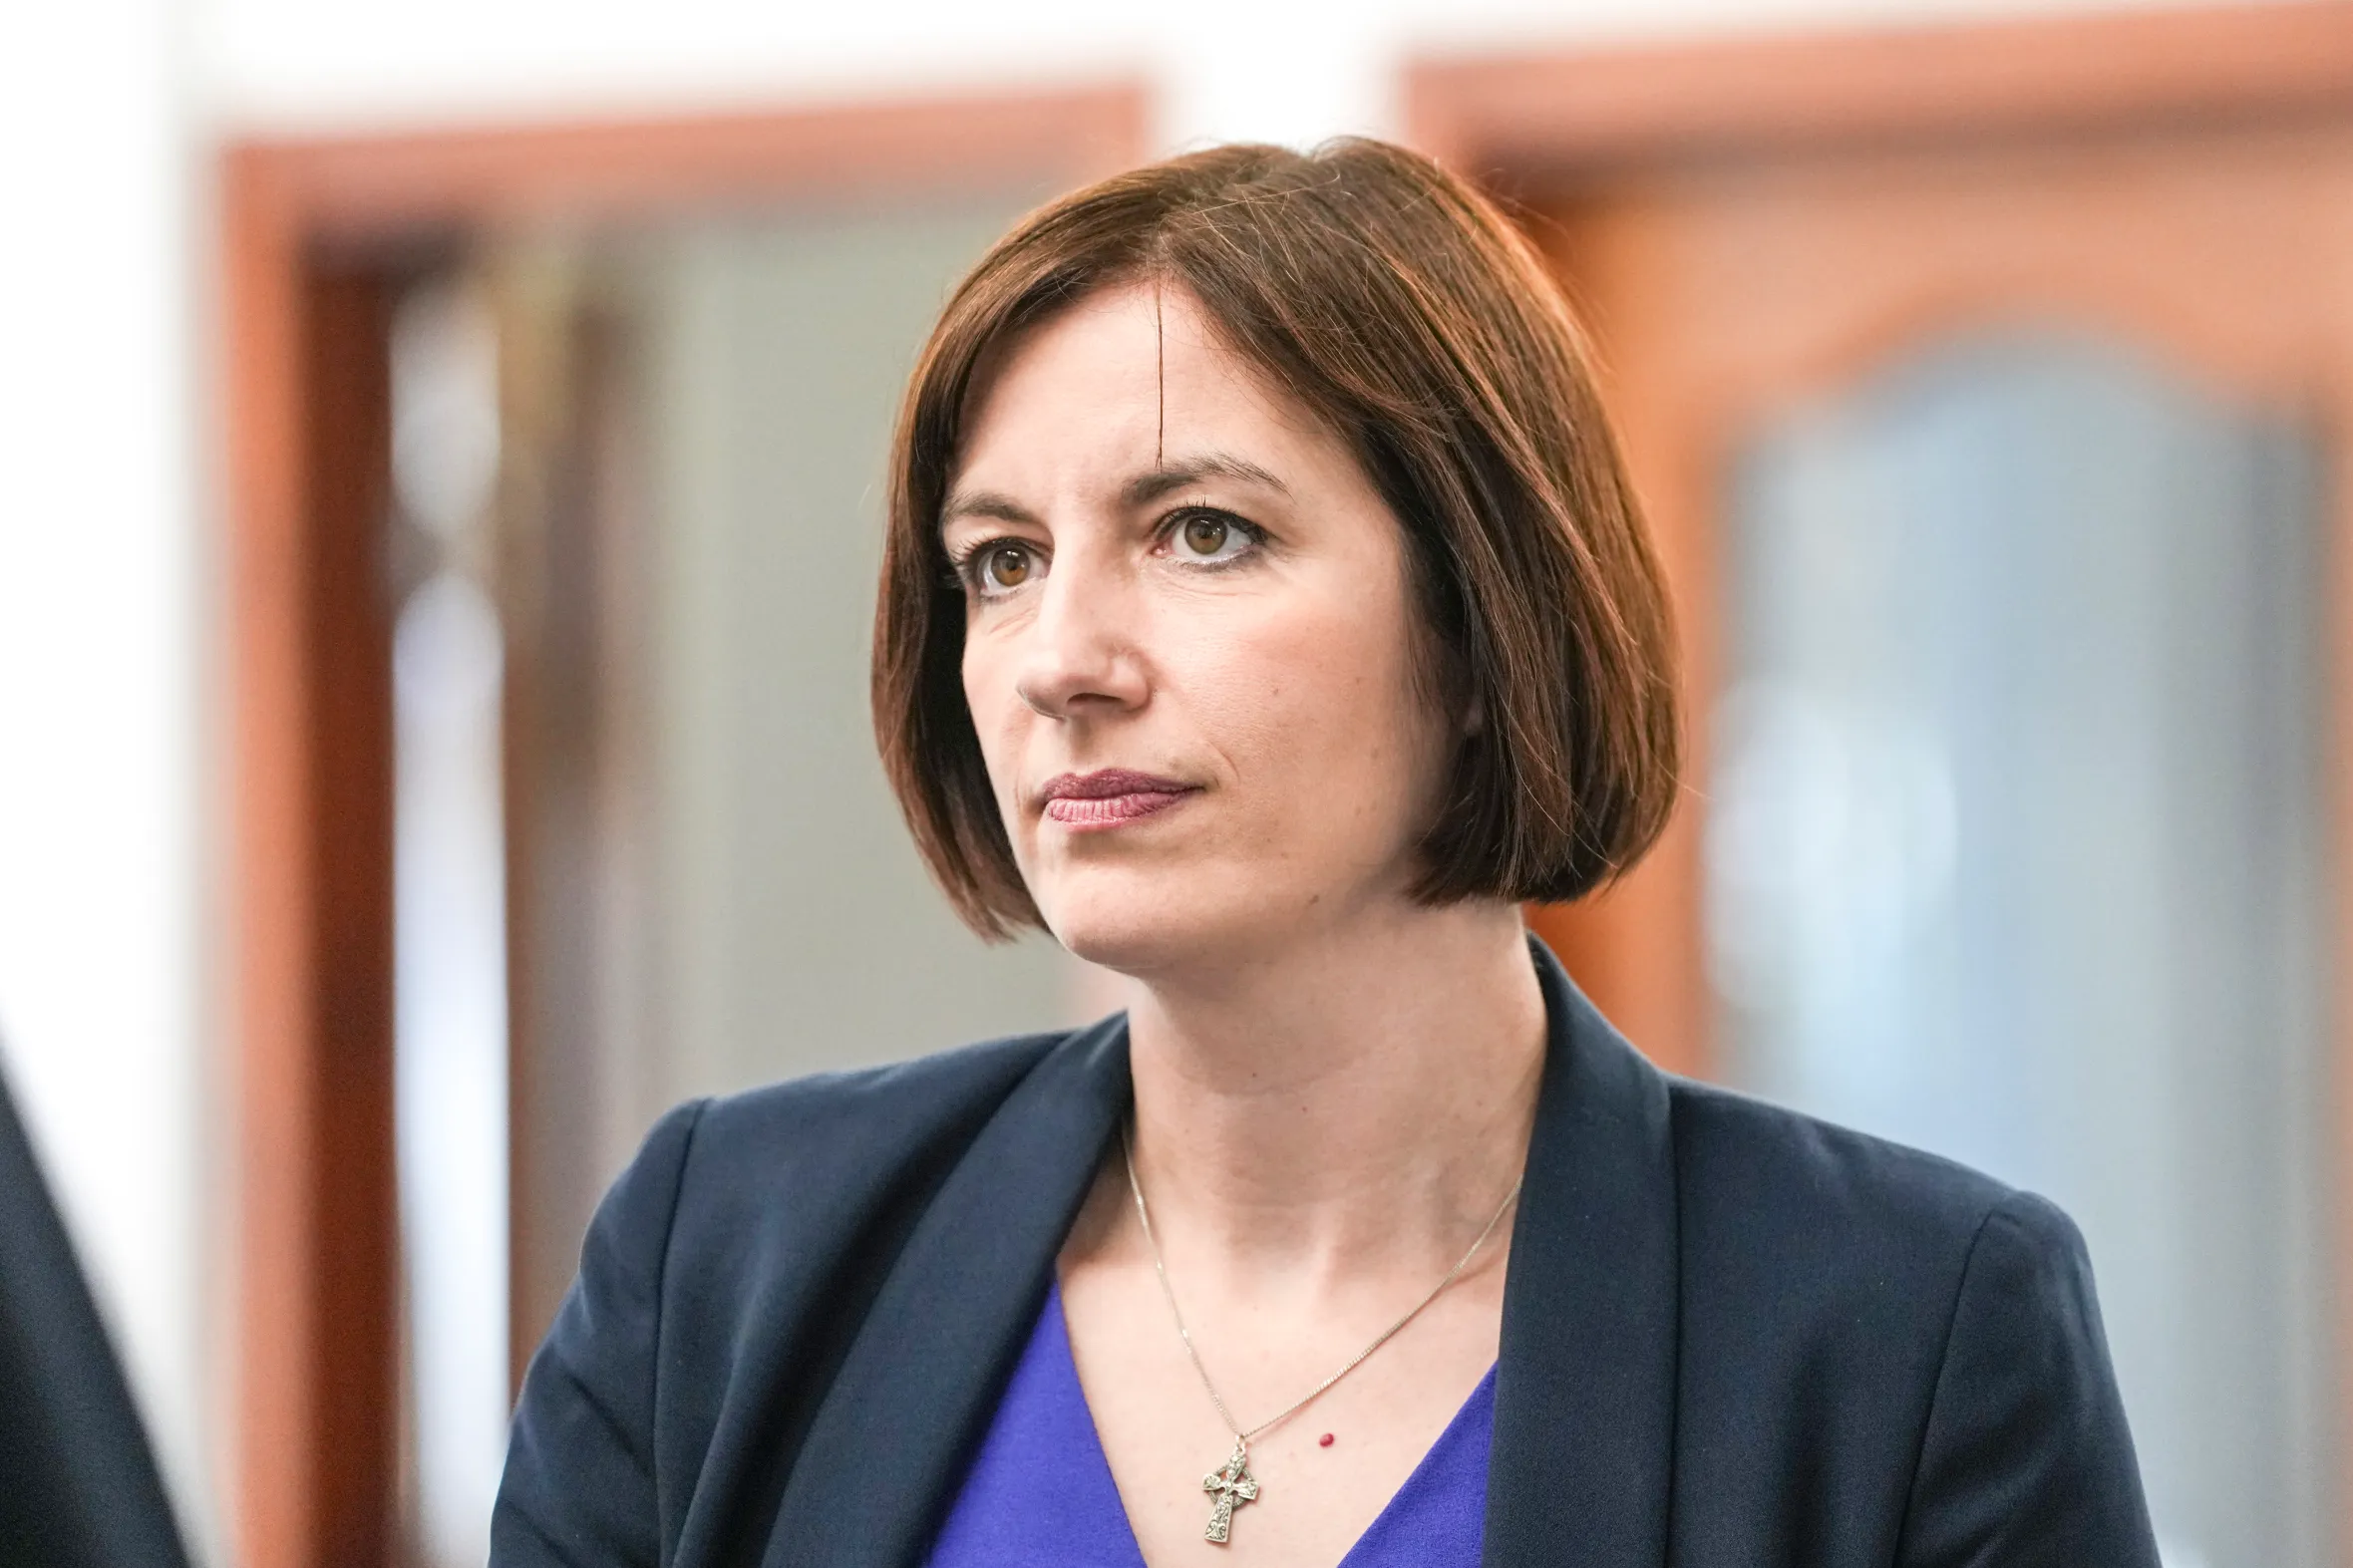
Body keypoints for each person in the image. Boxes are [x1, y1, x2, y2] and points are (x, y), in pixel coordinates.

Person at [491, 139, 2158, 1568]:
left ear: (1488, 616)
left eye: (1201, 534)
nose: (1062, 657)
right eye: (999, 562)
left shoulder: (1906, 1331)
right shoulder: (727, 1255)